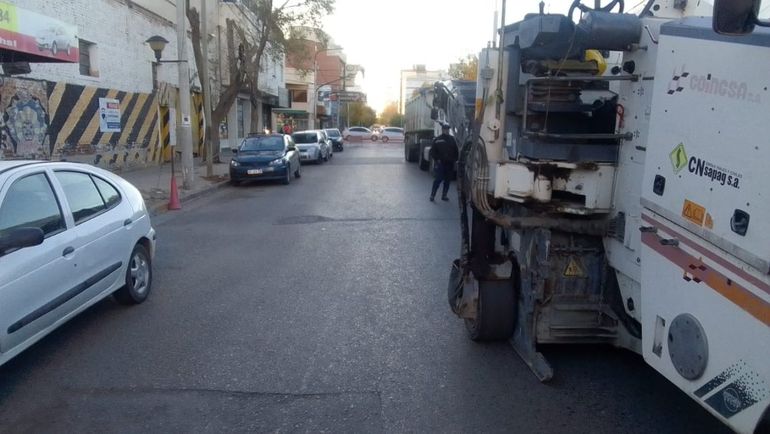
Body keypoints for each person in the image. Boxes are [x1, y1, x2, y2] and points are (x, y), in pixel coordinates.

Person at [429, 122, 459, 202]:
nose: (447, 131)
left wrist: (455, 159)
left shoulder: (453, 139)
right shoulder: (437, 139)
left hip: (450, 164)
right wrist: (437, 160)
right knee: (438, 179)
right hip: (441, 163)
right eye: (445, 129)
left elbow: (457, 151)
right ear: (442, 130)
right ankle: (432, 195)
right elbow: (432, 152)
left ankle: (444, 195)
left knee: (447, 180)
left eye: (448, 130)